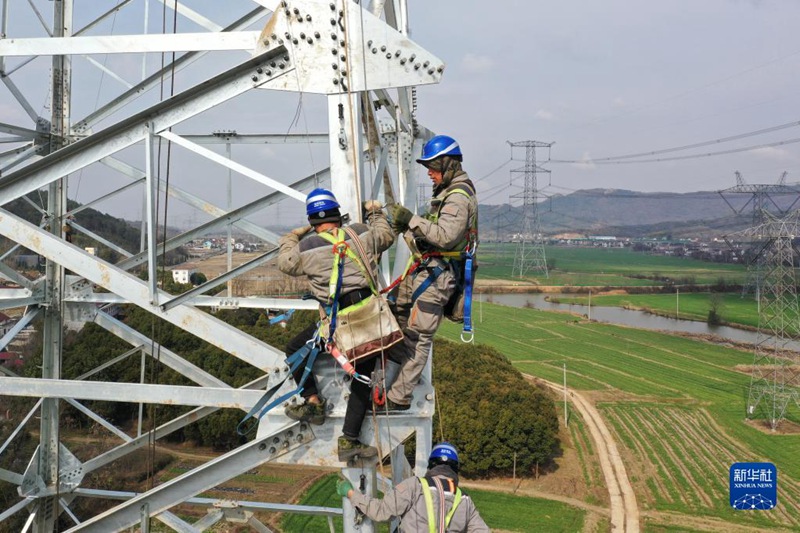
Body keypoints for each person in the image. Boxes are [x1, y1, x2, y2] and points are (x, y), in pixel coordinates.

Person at [277, 188, 394, 461]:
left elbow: (285, 261)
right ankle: (349, 439)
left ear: (312, 220)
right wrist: (375, 211)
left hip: (336, 323)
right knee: (362, 377)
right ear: (337, 214)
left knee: (295, 348)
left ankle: (313, 402)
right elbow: (386, 235)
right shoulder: (360, 233)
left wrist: (293, 235)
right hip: (369, 316)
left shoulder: (305, 248)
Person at [384, 135, 479, 410]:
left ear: (449, 165)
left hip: (439, 276)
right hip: (427, 269)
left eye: (433, 166)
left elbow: (446, 236)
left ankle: (398, 397)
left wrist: (412, 220)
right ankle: (388, 378)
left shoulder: (458, 198)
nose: (429, 172)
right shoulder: (446, 193)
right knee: (396, 319)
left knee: (418, 336)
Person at [336, 442, 490, 532]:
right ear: (455, 468)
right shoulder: (464, 500)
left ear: (431, 465)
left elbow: (381, 512)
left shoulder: (415, 486)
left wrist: (350, 493)